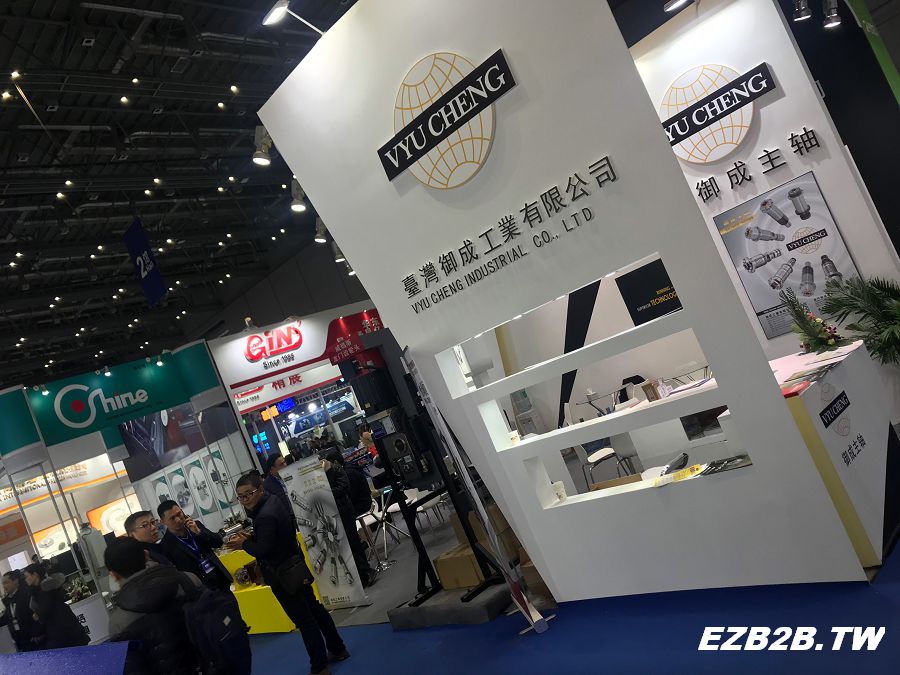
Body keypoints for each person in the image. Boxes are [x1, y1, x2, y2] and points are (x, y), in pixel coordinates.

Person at [228, 473, 347, 675]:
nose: (245, 499)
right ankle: (338, 648)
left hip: (282, 574)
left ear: (260, 489)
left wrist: (244, 544)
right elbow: (274, 537)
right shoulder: (273, 501)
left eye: (249, 494)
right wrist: (253, 538)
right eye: (241, 496)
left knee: (305, 620)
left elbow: (264, 549)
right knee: (315, 609)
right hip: (294, 564)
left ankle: (319, 666)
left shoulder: (264, 515)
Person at [105, 537, 201, 675]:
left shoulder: (118, 623)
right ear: (146, 555)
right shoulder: (188, 580)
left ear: (113, 575)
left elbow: (133, 669)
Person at [323, 451, 376, 587]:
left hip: (347, 510)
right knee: (347, 544)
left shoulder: (339, 471)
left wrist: (325, 493)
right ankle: (360, 573)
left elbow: (344, 488)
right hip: (337, 512)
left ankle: (366, 571)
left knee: (353, 542)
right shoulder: (324, 475)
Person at [158, 501, 233, 593]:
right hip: (200, 590)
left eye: (179, 514)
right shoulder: (166, 545)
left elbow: (218, 543)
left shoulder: (195, 525)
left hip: (221, 580)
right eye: (172, 518)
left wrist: (198, 532)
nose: (178, 520)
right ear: (163, 521)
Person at [23, 563, 89, 649]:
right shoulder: (38, 589)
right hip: (59, 626)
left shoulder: (46, 586)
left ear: (35, 575)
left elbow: (47, 607)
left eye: (27, 576)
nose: (25, 579)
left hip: (63, 625)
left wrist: (38, 615)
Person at [0, 570, 41, 652]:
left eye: (6, 583)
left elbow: (37, 614)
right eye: (3, 584)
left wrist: (38, 632)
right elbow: (8, 617)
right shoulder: (8, 600)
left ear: (15, 581)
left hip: (34, 637)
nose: (4, 586)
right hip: (20, 639)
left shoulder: (27, 594)